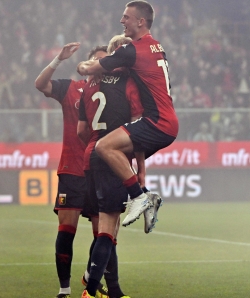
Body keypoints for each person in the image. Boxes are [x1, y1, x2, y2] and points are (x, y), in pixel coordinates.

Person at [77, 0, 178, 227]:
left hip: (156, 122)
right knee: (118, 156)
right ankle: (144, 193)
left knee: (103, 147)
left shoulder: (131, 50)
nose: (122, 21)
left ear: (141, 22)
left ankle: (139, 198)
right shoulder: (157, 46)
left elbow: (92, 68)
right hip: (166, 121)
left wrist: (82, 66)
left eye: (126, 17)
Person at [34, 42, 109, 298]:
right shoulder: (72, 88)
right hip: (72, 169)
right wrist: (57, 59)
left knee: (103, 233)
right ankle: (64, 290)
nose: (100, 64)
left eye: (105, 60)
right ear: (87, 65)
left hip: (99, 171)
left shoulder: (114, 92)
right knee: (67, 230)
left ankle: (90, 277)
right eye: (97, 60)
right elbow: (40, 85)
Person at [78, 34, 145, 298]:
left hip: (90, 157)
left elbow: (82, 129)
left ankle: (113, 291)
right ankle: (91, 290)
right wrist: (140, 169)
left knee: (103, 228)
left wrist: (94, 145)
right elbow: (137, 131)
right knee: (109, 229)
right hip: (113, 158)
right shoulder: (129, 83)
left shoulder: (89, 84)